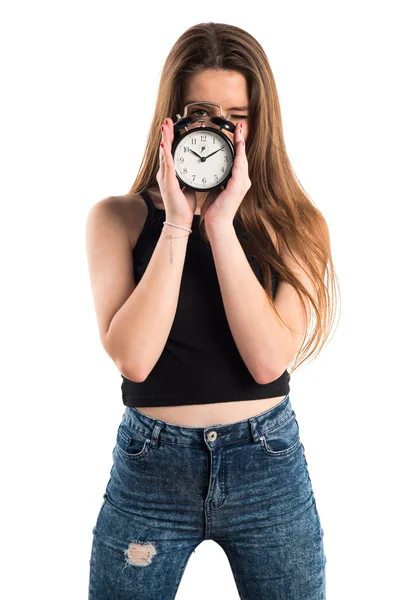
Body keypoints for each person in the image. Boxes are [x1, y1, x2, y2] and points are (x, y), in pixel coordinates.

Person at [86, 21, 338, 600]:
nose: (214, 127)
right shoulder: (116, 220)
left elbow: (267, 361)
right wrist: (178, 221)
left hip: (266, 467)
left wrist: (221, 224)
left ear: (259, 122)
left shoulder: (297, 226)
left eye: (235, 115)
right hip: (151, 468)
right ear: (169, 119)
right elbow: (135, 360)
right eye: (197, 110)